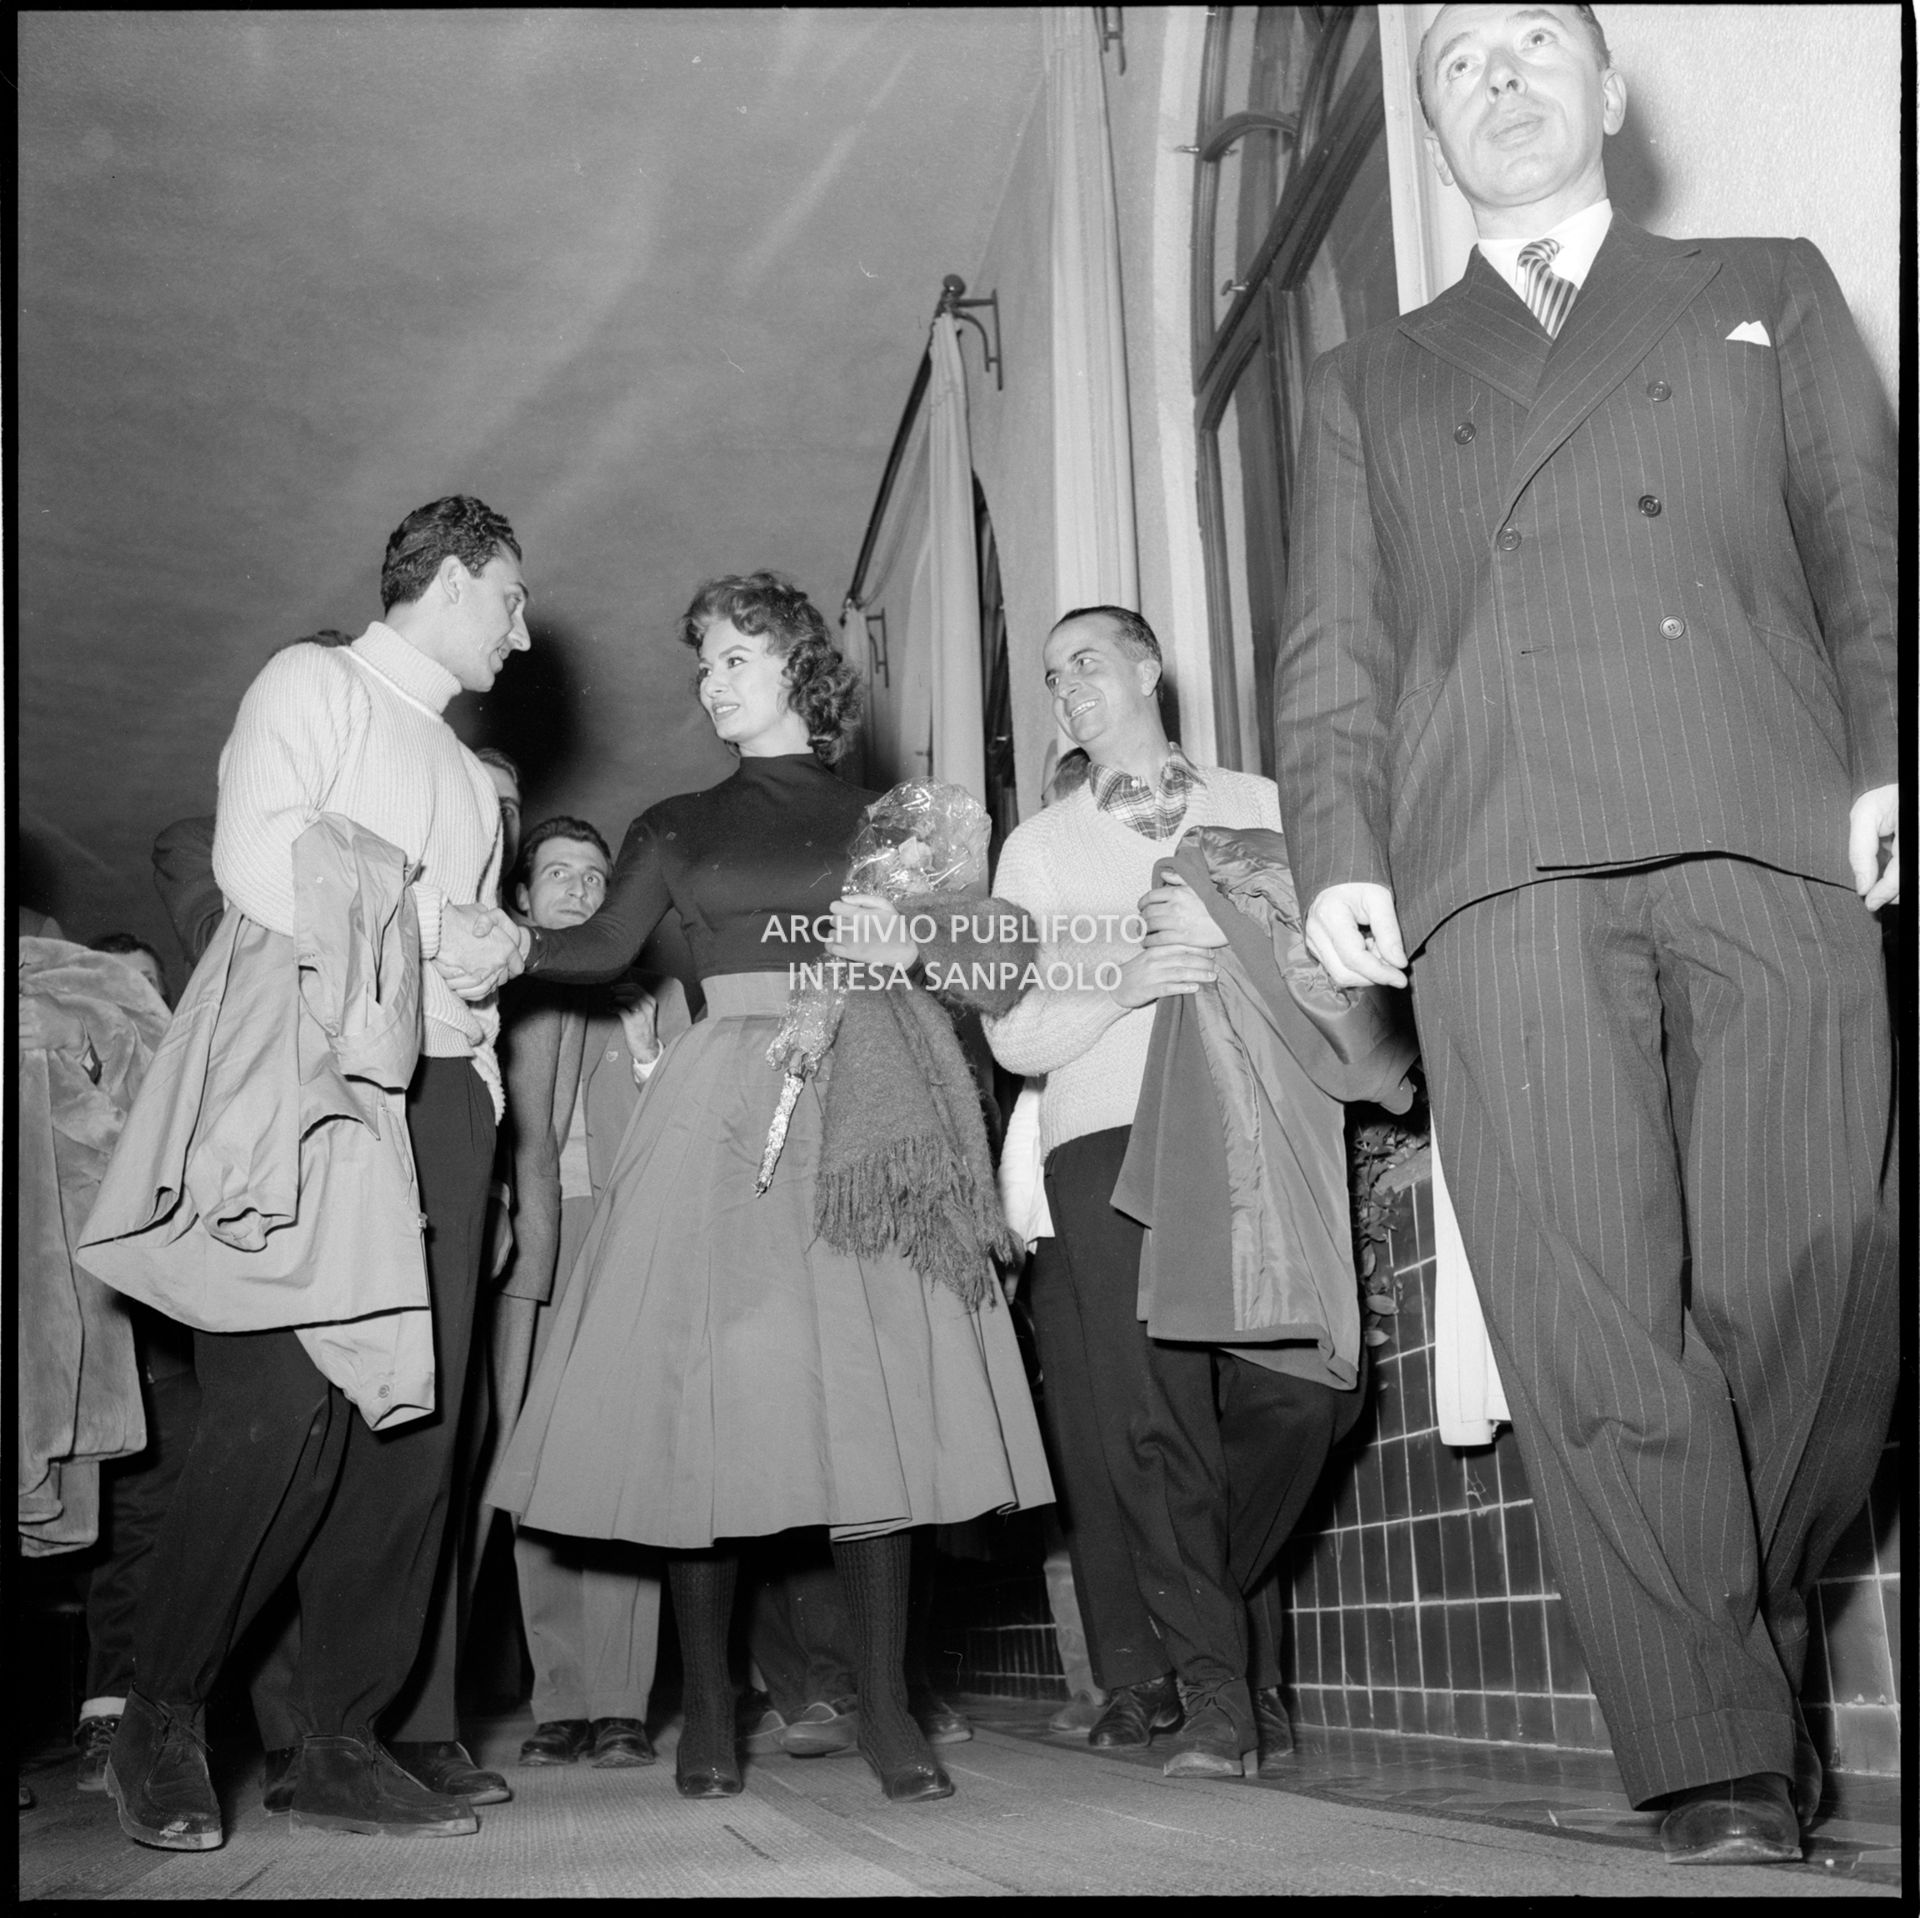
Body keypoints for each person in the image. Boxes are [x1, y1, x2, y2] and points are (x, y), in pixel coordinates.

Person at [1274, 3, 1898, 1867]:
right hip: (1499, 856)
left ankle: (1723, 1618)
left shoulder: (1762, 285)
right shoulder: (1371, 375)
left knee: (1827, 1262)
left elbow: (1867, 546)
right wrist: (1333, 836)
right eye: (1457, 59)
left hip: (1769, 811)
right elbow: (1338, 641)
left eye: (1536, 37)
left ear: (1611, 92)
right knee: (1588, 1311)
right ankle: (1717, 1749)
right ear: (1438, 135)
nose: (1500, 74)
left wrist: (1893, 748)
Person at [483, 571, 1052, 1805]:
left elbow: (999, 958)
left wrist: (926, 940)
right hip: (721, 1112)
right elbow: (595, 948)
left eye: (732, 658)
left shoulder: (893, 822)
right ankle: (705, 1719)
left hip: (868, 1103)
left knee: (875, 1409)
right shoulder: (677, 823)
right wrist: (482, 938)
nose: (708, 683)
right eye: (702, 665)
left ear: (800, 664)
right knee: (711, 1408)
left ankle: (888, 1710)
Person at [102, 495, 532, 1850]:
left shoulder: (471, 775)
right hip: (322, 1075)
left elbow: (464, 949)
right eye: (510, 601)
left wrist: (502, 948)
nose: (523, 635)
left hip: (451, 1097)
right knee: (281, 1411)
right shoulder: (316, 679)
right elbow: (255, 864)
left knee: (414, 1430)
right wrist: (435, 926)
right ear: (454, 579)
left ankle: (342, 1738)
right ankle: (159, 1712)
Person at [984, 607, 1363, 1779]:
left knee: (1307, 1397)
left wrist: (1246, 938)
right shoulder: (1036, 849)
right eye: (1051, 678)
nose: (1067, 690)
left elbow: (1341, 977)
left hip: (1258, 1125)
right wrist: (1127, 981)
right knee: (1158, 1428)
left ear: (1149, 668)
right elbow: (1013, 1031)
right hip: (1103, 1137)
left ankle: (1208, 1619)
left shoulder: (1264, 804)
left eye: (1085, 662)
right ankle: (1220, 1693)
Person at [492, 815, 684, 1770]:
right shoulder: (491, 992)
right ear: (520, 898)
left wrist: (650, 1058)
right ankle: (559, 1696)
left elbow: (691, 1148)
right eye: (554, 872)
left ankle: (620, 1700)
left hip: (617, 1243)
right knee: (531, 1468)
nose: (574, 887)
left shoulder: (653, 994)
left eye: (593, 875)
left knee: (615, 1464)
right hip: (526, 1254)